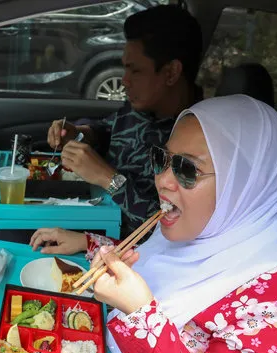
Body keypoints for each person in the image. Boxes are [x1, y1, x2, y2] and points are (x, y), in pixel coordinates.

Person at [86, 95, 277, 353]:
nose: (163, 180)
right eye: (161, 160)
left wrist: (140, 314)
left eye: (187, 170)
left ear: (244, 186)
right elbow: (156, 259)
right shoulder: (206, 234)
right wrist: (88, 243)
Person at [38, 5, 203, 245]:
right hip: (86, 219)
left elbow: (166, 230)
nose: (124, 81)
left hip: (117, 250)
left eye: (135, 71)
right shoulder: (141, 109)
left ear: (170, 73)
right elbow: (107, 128)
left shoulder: (198, 142)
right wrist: (80, 134)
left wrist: (109, 179)